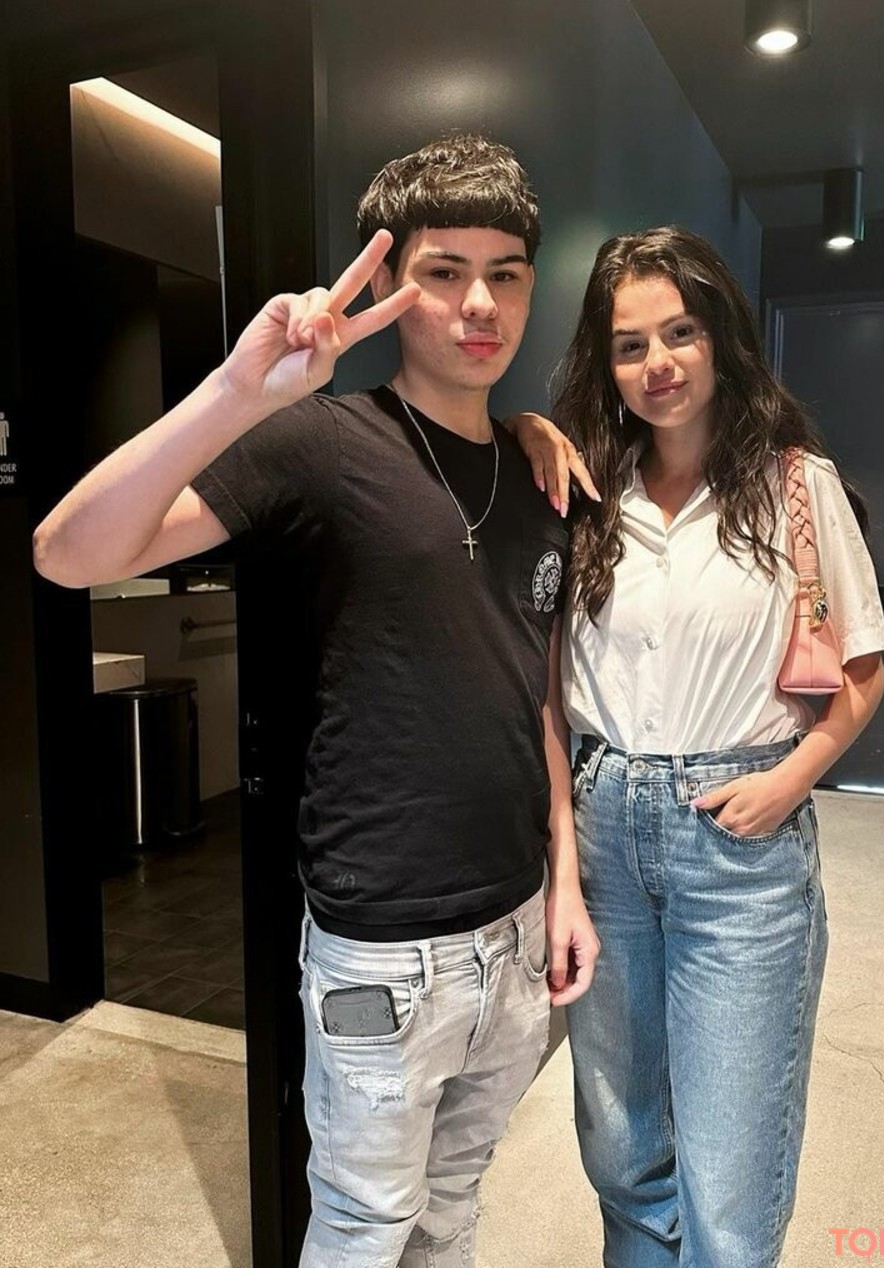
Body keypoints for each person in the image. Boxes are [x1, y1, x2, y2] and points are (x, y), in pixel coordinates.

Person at [33, 133, 599, 1268]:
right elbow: (68, 552)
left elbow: (538, 692)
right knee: (361, 1228)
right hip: (382, 948)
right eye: (443, 272)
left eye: (505, 273)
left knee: (453, 1211)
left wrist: (565, 884)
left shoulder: (542, 474)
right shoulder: (321, 443)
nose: (479, 303)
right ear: (393, 286)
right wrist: (235, 393)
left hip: (513, 928)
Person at [516, 225, 884, 1267]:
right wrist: (565, 870)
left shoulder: (794, 486)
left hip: (740, 842)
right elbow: (552, 695)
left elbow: (863, 670)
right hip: (605, 830)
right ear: (606, 363)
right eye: (630, 345)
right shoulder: (586, 495)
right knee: (622, 1150)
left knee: (729, 1179)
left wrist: (788, 781)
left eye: (680, 333)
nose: (659, 363)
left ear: (721, 336)